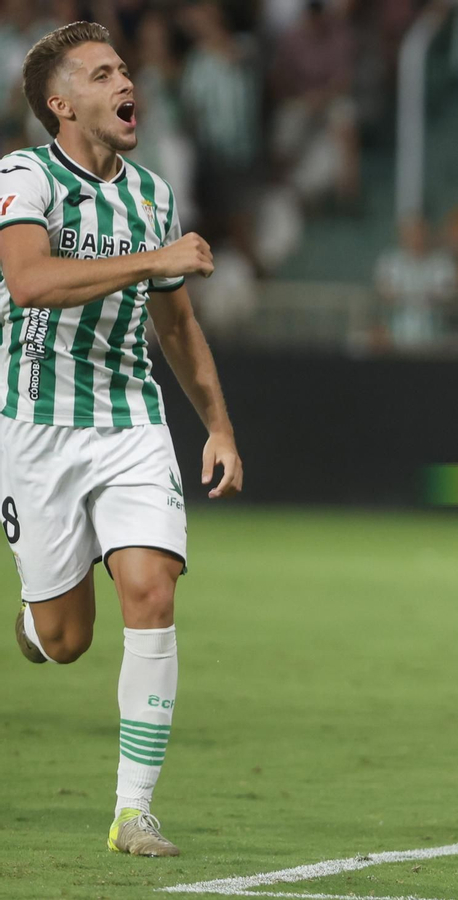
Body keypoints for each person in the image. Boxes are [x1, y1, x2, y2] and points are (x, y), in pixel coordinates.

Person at [1, 22, 240, 857]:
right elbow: (30, 281)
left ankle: (133, 810)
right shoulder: (24, 176)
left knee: (154, 592)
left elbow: (175, 324)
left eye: (125, 69)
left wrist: (217, 425)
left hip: (131, 423)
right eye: (103, 74)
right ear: (62, 104)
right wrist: (151, 263)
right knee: (66, 642)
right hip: (37, 427)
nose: (124, 81)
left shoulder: (151, 197)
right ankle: (37, 621)